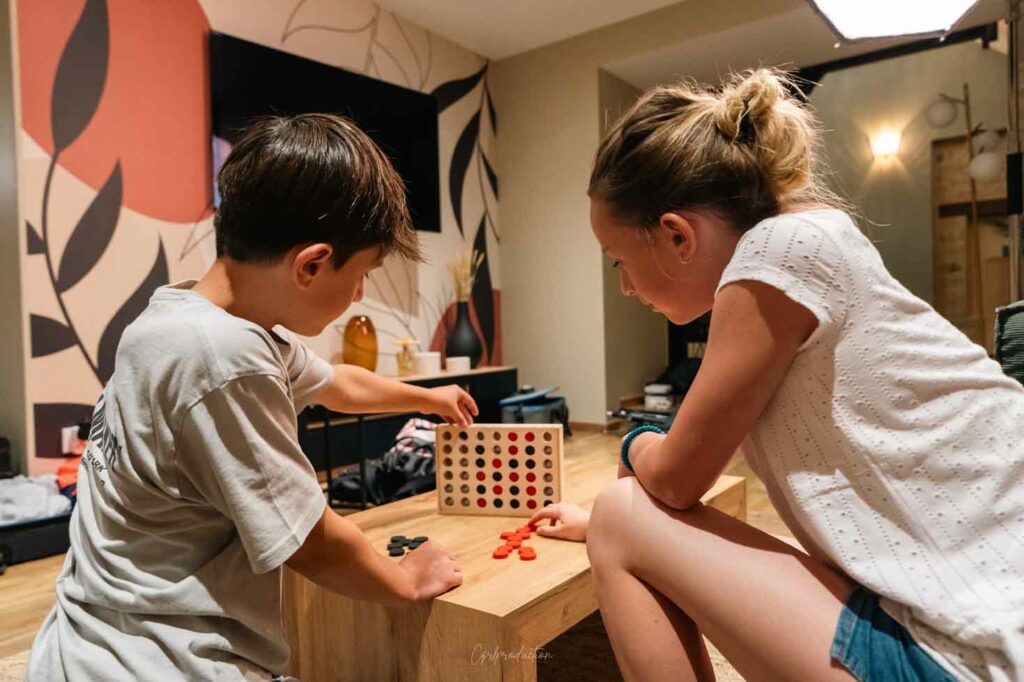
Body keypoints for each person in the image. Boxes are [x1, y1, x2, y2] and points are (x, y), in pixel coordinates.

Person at [528, 69, 1024, 682]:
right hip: (976, 610)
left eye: (619, 262)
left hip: (976, 651)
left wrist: (634, 443)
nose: (626, 287)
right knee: (621, 519)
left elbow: (677, 479)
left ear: (677, 234)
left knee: (619, 512)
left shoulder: (777, 254)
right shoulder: (805, 240)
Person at [25, 113, 475, 681]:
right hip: (157, 657)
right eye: (362, 275)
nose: (360, 294)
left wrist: (428, 398)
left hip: (87, 637)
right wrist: (405, 580)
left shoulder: (185, 318)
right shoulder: (224, 356)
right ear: (311, 264)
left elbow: (338, 384)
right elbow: (309, 539)